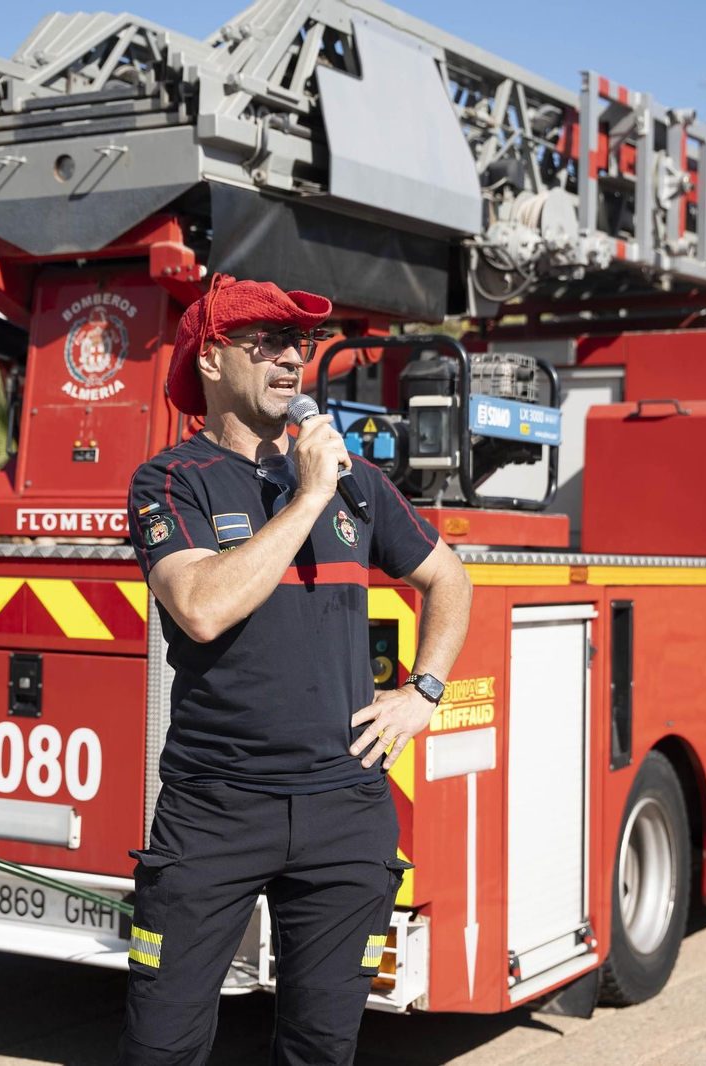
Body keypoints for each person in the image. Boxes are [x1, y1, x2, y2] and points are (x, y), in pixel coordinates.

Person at [119, 274, 471, 1065]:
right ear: (210, 360)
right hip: (215, 811)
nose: (290, 360)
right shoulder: (175, 481)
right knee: (158, 1046)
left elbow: (451, 579)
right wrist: (308, 498)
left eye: (300, 345)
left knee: (321, 1047)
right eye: (267, 343)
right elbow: (202, 605)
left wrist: (423, 693)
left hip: (346, 813)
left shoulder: (362, 488)